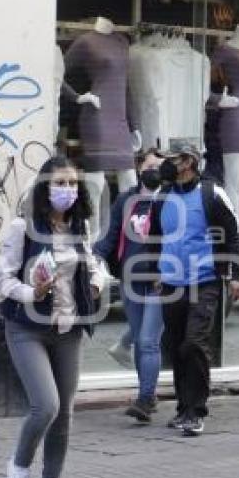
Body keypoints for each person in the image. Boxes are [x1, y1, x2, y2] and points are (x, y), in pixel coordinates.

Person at [0, 156, 106, 478]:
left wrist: (96, 280)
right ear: (45, 186)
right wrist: (34, 293)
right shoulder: (22, 227)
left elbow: (93, 265)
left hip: (68, 328)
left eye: (73, 184)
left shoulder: (79, 227)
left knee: (65, 414)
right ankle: (19, 464)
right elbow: (3, 282)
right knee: (46, 404)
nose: (68, 190)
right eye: (60, 183)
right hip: (26, 327)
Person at [147, 138, 239, 436]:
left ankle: (196, 410)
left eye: (173, 159)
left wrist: (237, 274)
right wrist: (155, 271)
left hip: (205, 281)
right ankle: (182, 407)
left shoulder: (211, 193)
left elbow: (232, 233)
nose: (167, 164)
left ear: (188, 162)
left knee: (194, 343)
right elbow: (154, 236)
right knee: (177, 347)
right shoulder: (161, 195)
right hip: (171, 283)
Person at [93, 149, 164, 422]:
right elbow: (111, 236)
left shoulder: (171, 201)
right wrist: (94, 255)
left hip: (160, 282)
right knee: (138, 339)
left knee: (148, 341)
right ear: (138, 168)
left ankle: (145, 399)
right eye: (150, 165)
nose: (155, 170)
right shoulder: (126, 200)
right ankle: (148, 392)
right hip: (130, 281)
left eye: (160, 166)